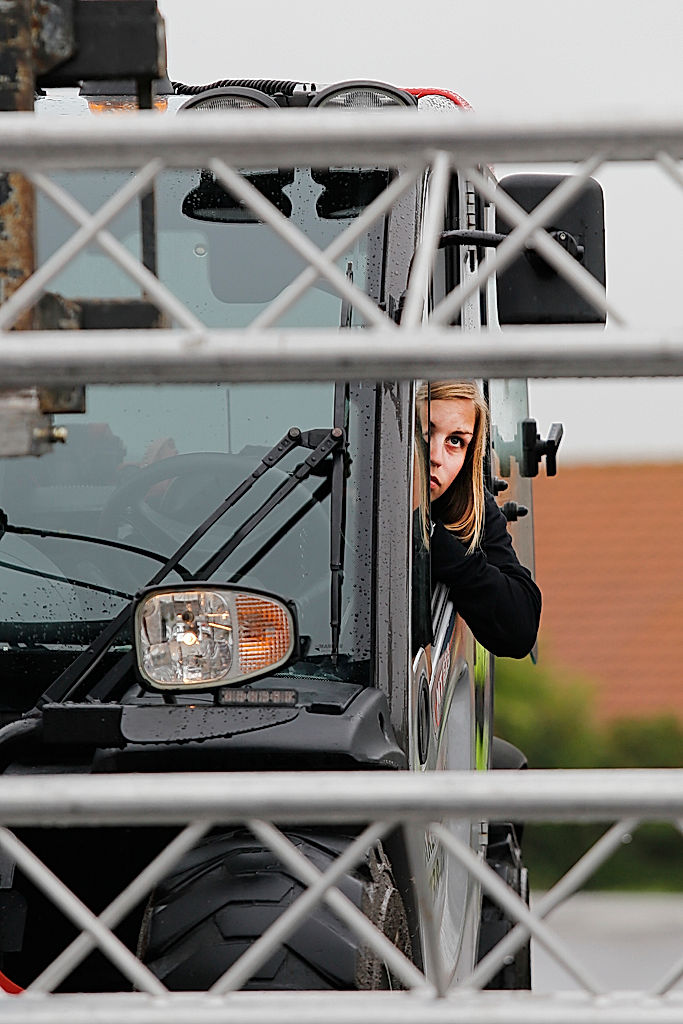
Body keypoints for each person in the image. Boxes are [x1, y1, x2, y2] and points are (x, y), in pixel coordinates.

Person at [417, 380, 541, 659]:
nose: (436, 457)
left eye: (455, 441)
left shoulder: (469, 509)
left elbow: (520, 631)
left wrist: (435, 542)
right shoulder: (338, 501)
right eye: (426, 434)